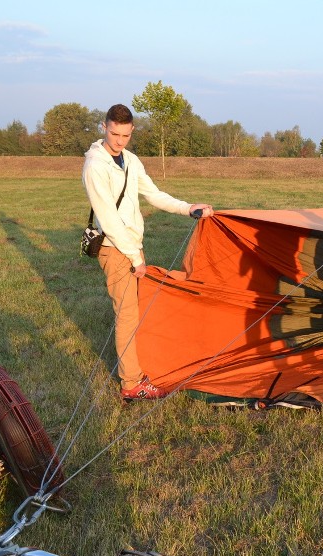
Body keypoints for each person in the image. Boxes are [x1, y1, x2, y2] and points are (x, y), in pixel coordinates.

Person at [82, 104, 214, 401]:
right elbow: (109, 219)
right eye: (115, 134)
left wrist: (187, 207)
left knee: (133, 309)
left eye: (125, 135)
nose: (119, 141)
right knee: (127, 314)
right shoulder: (95, 165)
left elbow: (153, 194)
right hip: (115, 247)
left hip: (130, 245)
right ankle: (131, 384)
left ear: (132, 132)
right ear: (104, 127)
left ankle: (140, 366)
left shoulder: (129, 160)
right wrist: (134, 256)